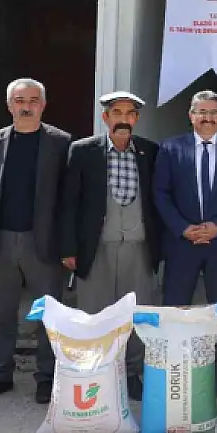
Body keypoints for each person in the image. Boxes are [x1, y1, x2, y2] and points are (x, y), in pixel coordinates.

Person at [0, 79, 70, 404]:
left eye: (33, 100)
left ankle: (47, 377)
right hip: (0, 243)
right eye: (19, 100)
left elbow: (69, 201)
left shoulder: (61, 143)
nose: (26, 106)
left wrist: (69, 248)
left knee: (49, 317)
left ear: (43, 105)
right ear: (9, 106)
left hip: (45, 245)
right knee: (2, 314)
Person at [59, 91, 163, 400]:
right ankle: (97, 374)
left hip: (138, 247)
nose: (122, 118)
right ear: (105, 118)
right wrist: (68, 248)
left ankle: (131, 373)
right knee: (95, 314)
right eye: (116, 112)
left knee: (136, 314)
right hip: (97, 248)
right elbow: (69, 204)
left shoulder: (149, 152)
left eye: (129, 113)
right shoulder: (83, 151)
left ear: (136, 119)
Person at [155, 90, 217, 396]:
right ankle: (173, 367)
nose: (207, 117)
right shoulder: (171, 148)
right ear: (191, 115)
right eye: (201, 112)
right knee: (176, 307)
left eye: (213, 112)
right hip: (181, 243)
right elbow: (161, 193)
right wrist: (183, 228)